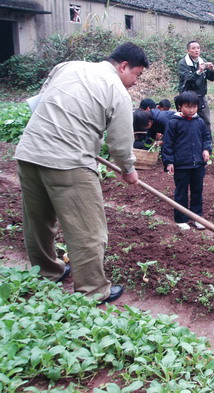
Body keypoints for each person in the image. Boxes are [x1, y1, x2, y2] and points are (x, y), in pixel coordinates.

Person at [14, 42, 149, 305]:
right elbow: (120, 144)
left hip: (29, 151)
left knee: (38, 221)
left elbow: (42, 102)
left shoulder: (67, 67)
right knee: (88, 230)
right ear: (123, 66)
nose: (134, 82)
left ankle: (46, 272)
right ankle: (92, 290)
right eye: (137, 75)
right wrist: (129, 170)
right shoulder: (117, 92)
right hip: (69, 162)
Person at [161, 91, 212, 231]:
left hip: (198, 164)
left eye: (194, 107)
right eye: (187, 106)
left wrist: (206, 149)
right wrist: (169, 162)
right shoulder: (173, 123)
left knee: (197, 191)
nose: (191, 110)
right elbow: (168, 143)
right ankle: (181, 218)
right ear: (179, 107)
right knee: (181, 191)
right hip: (181, 165)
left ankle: (197, 217)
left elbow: (206, 137)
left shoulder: (199, 122)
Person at [178, 40, 214, 133]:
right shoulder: (183, 63)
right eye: (193, 48)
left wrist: (212, 70)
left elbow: (212, 78)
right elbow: (188, 78)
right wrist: (199, 71)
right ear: (188, 50)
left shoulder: (202, 61)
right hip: (187, 95)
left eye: (198, 48)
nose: (196, 50)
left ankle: (207, 143)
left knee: (205, 120)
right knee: (186, 120)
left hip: (201, 95)